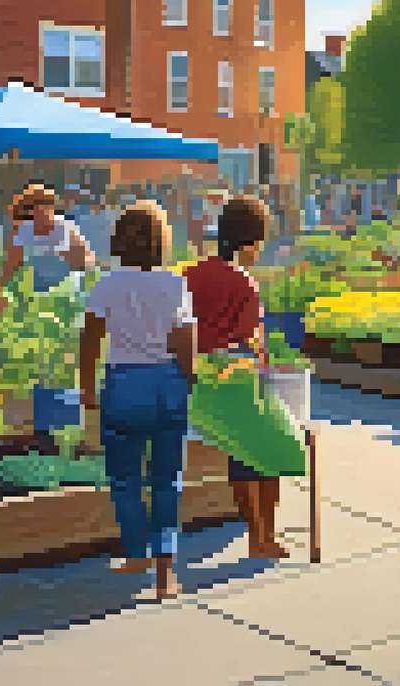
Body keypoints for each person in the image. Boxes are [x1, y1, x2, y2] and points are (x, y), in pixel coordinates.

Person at [79, 200, 197, 601]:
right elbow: (185, 340)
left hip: (123, 385)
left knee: (125, 479)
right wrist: (188, 379)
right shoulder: (175, 284)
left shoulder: (106, 285)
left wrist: (85, 388)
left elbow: (90, 338)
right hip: (167, 384)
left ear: (118, 242)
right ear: (161, 242)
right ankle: (166, 574)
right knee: (167, 482)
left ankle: (135, 554)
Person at [183, 195, 289, 560]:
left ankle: (259, 535)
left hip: (197, 380)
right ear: (251, 242)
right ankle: (263, 537)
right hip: (234, 378)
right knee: (274, 451)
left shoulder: (189, 275)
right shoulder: (244, 282)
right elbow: (247, 338)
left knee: (244, 454)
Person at [0, 185, 95, 308]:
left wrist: (73, 257)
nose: (44, 208)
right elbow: (10, 267)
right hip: (38, 293)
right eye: (36, 205)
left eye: (47, 203)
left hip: (68, 292)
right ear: (30, 210)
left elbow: (88, 261)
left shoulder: (66, 227)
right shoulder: (23, 232)